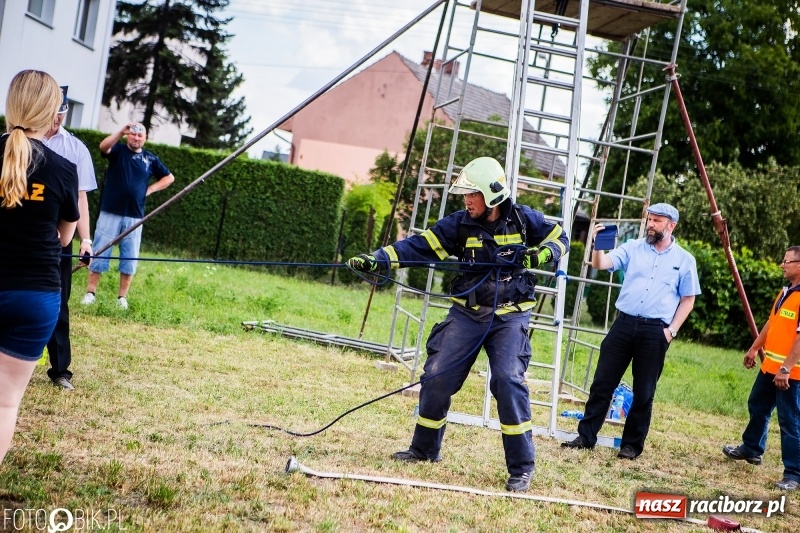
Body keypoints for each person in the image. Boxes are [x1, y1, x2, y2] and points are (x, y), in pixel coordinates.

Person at [347, 157, 569, 492]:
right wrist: (378, 259)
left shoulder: (524, 218)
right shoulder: (459, 224)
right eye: (465, 193)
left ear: (493, 194)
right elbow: (418, 247)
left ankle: (521, 469)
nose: (466, 200)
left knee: (508, 381)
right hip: (468, 313)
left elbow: (561, 238)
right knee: (436, 375)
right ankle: (424, 450)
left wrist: (542, 255)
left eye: (472, 193)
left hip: (510, 315)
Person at [561, 203, 700, 459]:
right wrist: (597, 244)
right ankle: (586, 436)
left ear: (672, 225)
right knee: (602, 382)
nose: (651, 224)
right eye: (650, 219)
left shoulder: (684, 260)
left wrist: (671, 331)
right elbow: (601, 264)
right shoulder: (633, 248)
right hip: (623, 324)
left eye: (657, 221)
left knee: (644, 391)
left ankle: (631, 446)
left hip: (655, 331)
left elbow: (688, 300)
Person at [0, 70, 79, 463]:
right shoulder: (64, 169)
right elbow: (65, 238)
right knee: (4, 404)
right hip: (36, 296)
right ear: (53, 113)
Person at [721, 246, 800, 491]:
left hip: (790, 374)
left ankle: (794, 474)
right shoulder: (786, 292)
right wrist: (755, 348)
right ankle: (752, 448)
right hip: (769, 368)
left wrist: (786, 369)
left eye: (787, 261)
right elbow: (771, 322)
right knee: (758, 406)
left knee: (790, 422)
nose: (782, 265)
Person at [80, 122, 174, 309]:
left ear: (145, 138)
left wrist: (151, 189)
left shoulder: (150, 159)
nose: (136, 138)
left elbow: (169, 177)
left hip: (135, 216)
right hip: (110, 212)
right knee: (99, 252)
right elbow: (103, 147)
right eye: (133, 135)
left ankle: (122, 298)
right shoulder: (118, 151)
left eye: (140, 135)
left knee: (130, 257)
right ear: (128, 136)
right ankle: (90, 293)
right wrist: (120, 132)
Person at [41, 86, 97, 391]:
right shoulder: (21, 143)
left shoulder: (76, 149)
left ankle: (60, 370)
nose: (57, 120)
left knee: (58, 302)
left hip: (61, 233)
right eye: (53, 113)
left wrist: (85, 240)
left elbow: (81, 200)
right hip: (25, 229)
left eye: (62, 113)